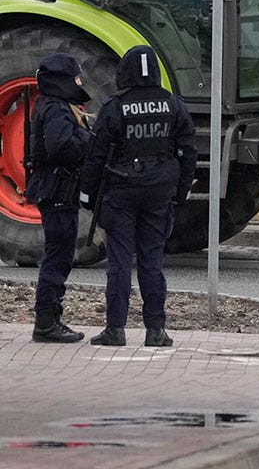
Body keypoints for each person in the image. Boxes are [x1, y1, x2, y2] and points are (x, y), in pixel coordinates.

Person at [79, 45, 196, 348]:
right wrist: (180, 192)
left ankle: (115, 329)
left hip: (121, 191)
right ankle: (155, 330)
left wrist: (88, 197)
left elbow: (95, 156)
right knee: (152, 261)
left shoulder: (114, 106)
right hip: (160, 193)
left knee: (119, 261)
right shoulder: (173, 105)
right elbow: (188, 153)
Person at [28, 54, 93, 343]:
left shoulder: (54, 106)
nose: (80, 83)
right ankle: (46, 322)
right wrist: (89, 140)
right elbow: (60, 146)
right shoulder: (56, 109)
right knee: (57, 257)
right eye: (76, 78)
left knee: (60, 256)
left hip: (58, 192)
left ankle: (51, 318)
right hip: (56, 191)